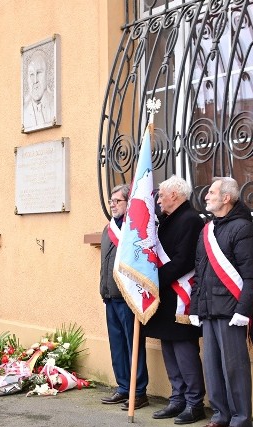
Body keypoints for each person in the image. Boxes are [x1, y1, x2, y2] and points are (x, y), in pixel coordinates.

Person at [191, 177, 253, 427]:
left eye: (211, 192)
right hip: (209, 310)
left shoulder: (243, 228)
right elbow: (199, 273)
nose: (206, 196)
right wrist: (195, 308)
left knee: (235, 371)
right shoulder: (207, 230)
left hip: (232, 312)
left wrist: (243, 312)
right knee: (212, 369)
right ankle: (220, 415)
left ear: (226, 198)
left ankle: (240, 420)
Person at [142, 176, 206, 424]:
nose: (158, 199)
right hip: (167, 295)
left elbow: (185, 260)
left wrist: (155, 279)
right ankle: (177, 399)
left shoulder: (190, 220)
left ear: (176, 196)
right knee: (169, 347)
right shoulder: (168, 220)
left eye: (162, 195)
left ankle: (194, 403)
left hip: (181, 296)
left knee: (184, 349)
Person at [99, 184, 149, 410]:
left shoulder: (135, 229)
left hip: (128, 297)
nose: (112, 204)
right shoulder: (107, 229)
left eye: (117, 201)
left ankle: (138, 391)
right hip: (110, 296)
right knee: (117, 345)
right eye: (111, 201)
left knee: (134, 345)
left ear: (129, 203)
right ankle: (123, 387)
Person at [23, 49, 54, 129]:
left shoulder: (54, 105)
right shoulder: (24, 112)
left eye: (39, 73)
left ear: (48, 74)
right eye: (31, 74)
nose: (35, 80)